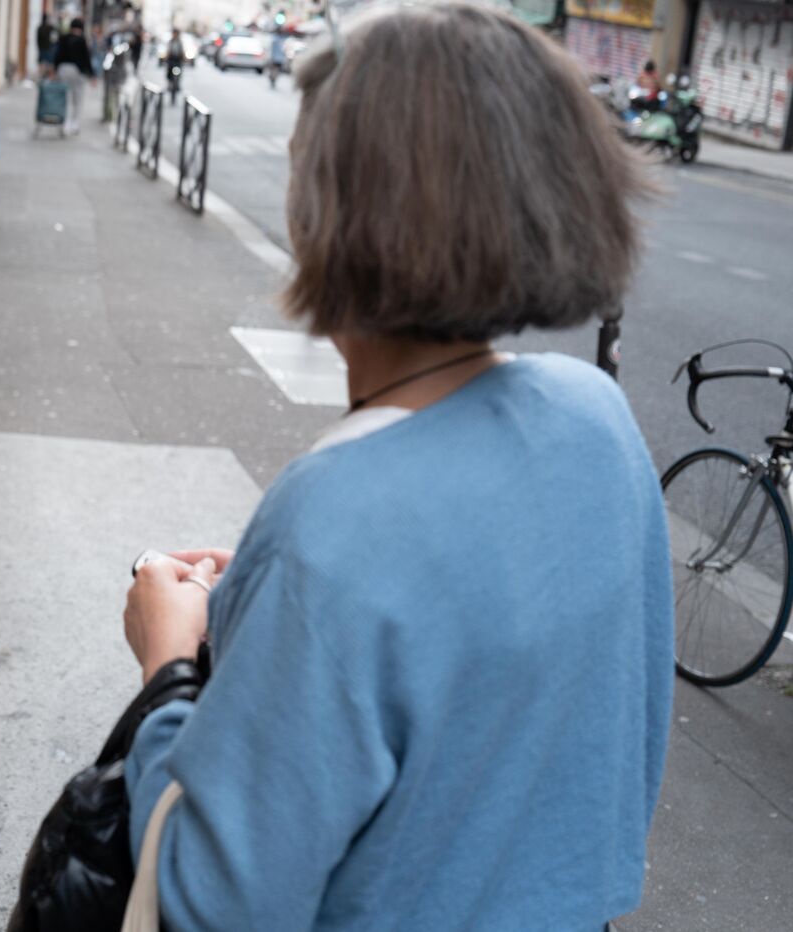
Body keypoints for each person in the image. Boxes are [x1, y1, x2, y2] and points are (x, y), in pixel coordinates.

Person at [120, 4, 672, 930]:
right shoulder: (599, 421)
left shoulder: (334, 521)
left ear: (332, 211)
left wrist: (168, 666)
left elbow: (204, 901)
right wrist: (274, 613)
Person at [53, 18, 96, 135]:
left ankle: (64, 123)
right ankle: (75, 124)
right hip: (78, 72)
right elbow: (86, 58)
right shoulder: (82, 40)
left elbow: (57, 55)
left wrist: (55, 69)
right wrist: (92, 75)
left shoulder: (63, 38)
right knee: (78, 99)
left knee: (64, 98)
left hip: (63, 69)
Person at [164, 27, 185, 100]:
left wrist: (184, 58)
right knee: (169, 72)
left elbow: (182, 52)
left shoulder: (180, 42)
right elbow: (168, 51)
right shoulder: (170, 42)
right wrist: (166, 57)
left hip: (177, 61)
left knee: (178, 72)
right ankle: (169, 83)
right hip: (171, 60)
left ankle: (177, 84)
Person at [37, 13, 59, 78]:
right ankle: (50, 78)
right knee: (50, 65)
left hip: (42, 48)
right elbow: (55, 39)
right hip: (49, 48)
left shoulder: (39, 28)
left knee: (42, 64)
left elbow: (37, 39)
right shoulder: (51, 28)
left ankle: (41, 77)